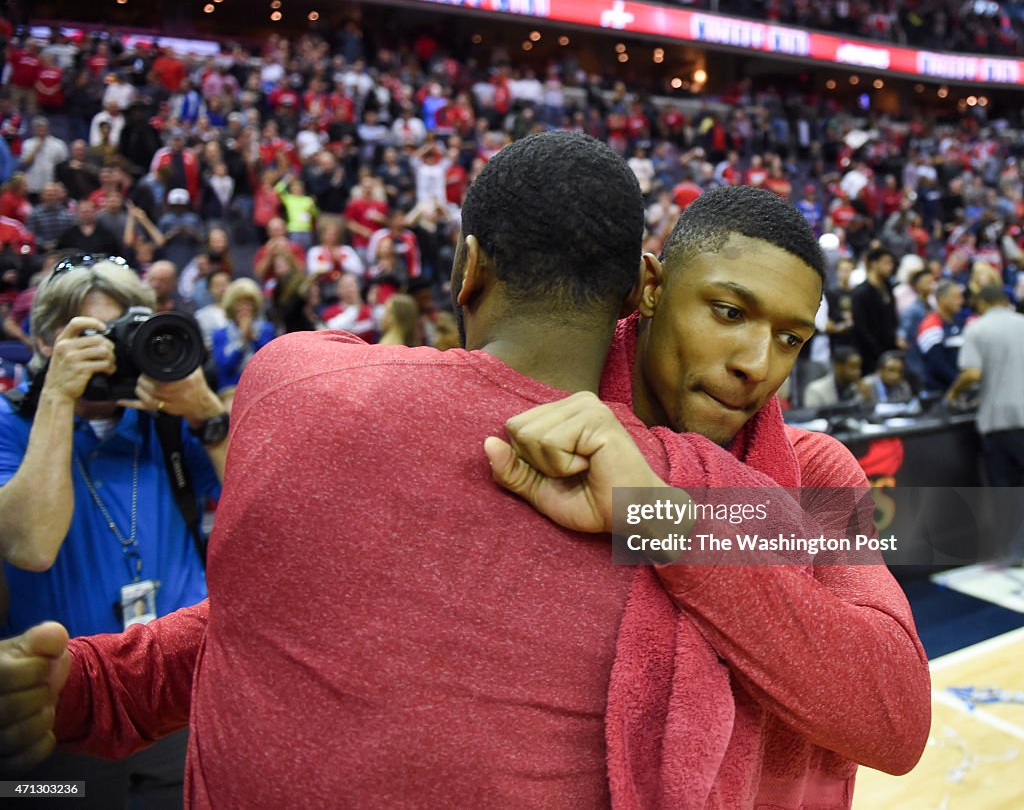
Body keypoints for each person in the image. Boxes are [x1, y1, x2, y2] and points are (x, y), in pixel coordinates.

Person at [0, 143, 928, 807]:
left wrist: (664, 513)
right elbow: (311, 609)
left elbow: (894, 710)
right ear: (650, 286)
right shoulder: (499, 420)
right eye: (729, 312)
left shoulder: (810, 471)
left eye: (791, 337)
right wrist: (104, 685)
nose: (756, 362)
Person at [0, 253, 229, 807]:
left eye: (124, 333)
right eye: (91, 335)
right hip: (57, 709)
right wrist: (56, 396)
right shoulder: (10, 425)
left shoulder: (167, 424)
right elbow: (30, 544)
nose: (110, 353)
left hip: (178, 697)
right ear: (45, 342)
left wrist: (206, 411)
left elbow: (268, 512)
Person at [947, 284, 1024, 486]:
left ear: (982, 303)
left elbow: (972, 373)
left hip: (999, 420)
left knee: (1005, 490)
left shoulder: (977, 328)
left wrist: (953, 392)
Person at [851, 246, 898, 375]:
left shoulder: (888, 286)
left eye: (891, 263)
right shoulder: (861, 293)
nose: (890, 267)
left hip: (890, 351)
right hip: (869, 355)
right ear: (874, 264)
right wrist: (878, 351)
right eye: (886, 263)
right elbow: (861, 328)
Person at [916, 279, 966, 393]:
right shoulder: (930, 325)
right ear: (942, 299)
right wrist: (960, 383)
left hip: (958, 389)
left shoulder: (958, 321)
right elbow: (937, 364)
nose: (961, 301)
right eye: (957, 297)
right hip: (939, 392)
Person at [804, 346, 868, 409]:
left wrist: (867, 398)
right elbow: (814, 417)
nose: (858, 372)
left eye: (859, 367)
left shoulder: (858, 388)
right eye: (853, 367)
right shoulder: (815, 390)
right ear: (838, 367)